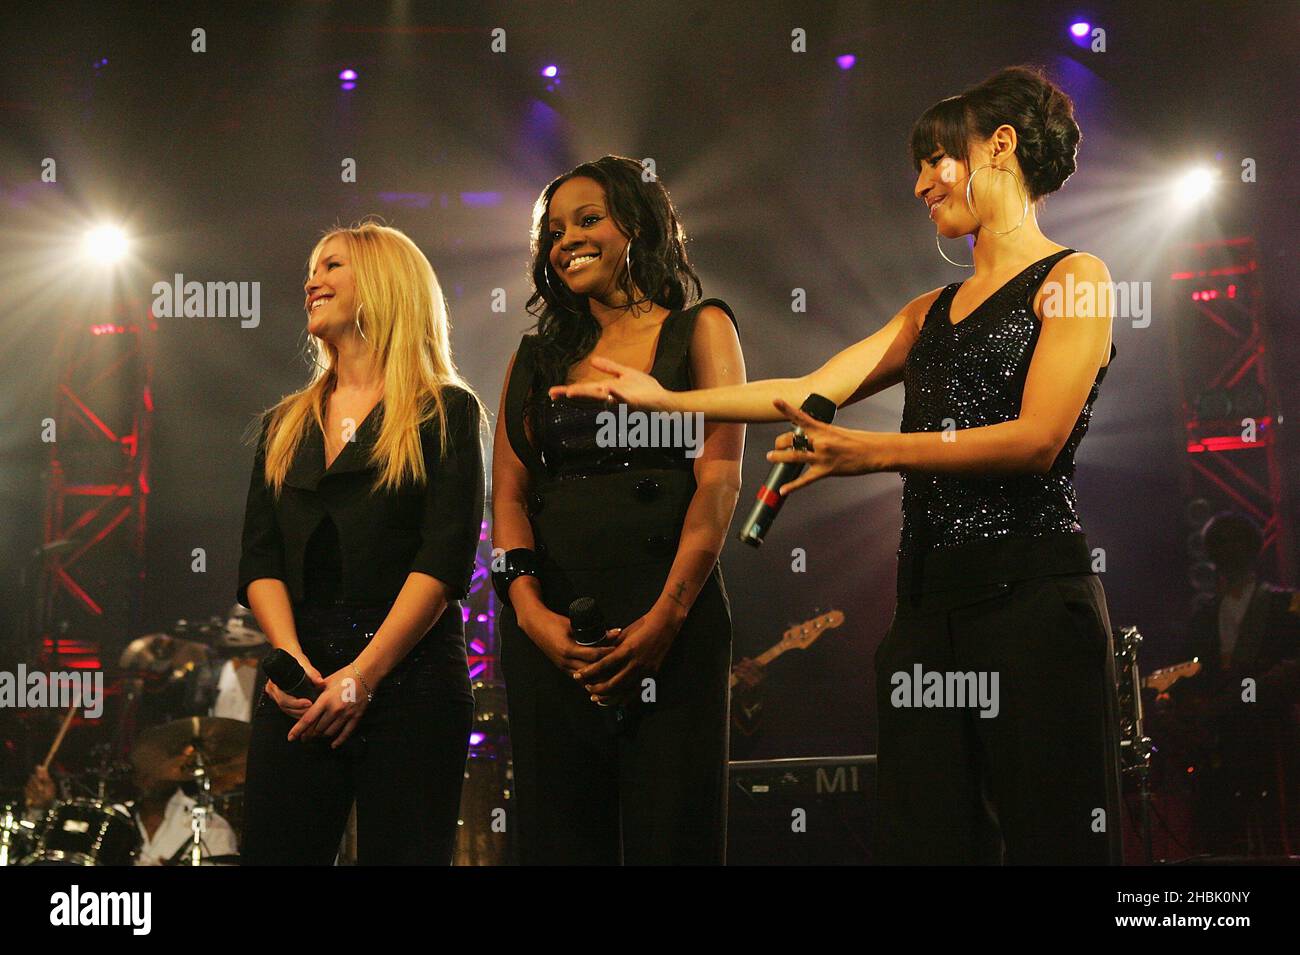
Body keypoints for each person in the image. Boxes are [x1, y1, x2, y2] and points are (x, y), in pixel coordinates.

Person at [553, 68, 1121, 864]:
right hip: (928, 605)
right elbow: (808, 389)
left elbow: (1037, 439)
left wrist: (875, 450)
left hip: (1032, 601)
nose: (922, 183)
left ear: (1001, 146)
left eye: (936, 160)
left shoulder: (1077, 279)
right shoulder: (927, 311)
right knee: (929, 839)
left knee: (1053, 834)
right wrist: (667, 400)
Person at [492, 156, 745, 864]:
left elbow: (719, 483)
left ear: (635, 225)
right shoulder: (534, 357)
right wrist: (530, 612)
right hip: (553, 629)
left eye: (587, 218)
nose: (566, 238)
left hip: (669, 618)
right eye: (554, 230)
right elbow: (507, 495)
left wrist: (667, 617)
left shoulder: (701, 329)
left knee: (675, 837)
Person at [236, 220, 486, 865]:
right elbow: (260, 559)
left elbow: (443, 559)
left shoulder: (444, 412)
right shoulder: (282, 425)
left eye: (333, 266)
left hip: (411, 678)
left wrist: (363, 676)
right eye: (312, 268)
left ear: (382, 284)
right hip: (300, 683)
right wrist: (293, 661)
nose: (311, 280)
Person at [1176, 511, 1300, 855]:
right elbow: (1191, 675)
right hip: (1222, 737)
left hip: (1270, 734)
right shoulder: (1203, 616)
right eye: (1220, 543)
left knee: (1276, 826)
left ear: (1252, 548)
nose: (1227, 550)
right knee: (1223, 831)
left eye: (1235, 541)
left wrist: (1256, 691)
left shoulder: (1283, 605)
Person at [23, 738, 239, 866]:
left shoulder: (212, 826)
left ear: (180, 769)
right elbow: (57, 849)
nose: (148, 773)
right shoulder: (110, 820)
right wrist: (42, 809)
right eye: (143, 764)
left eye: (156, 764)